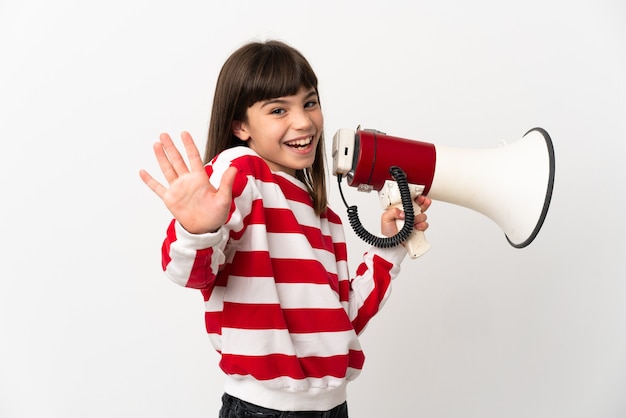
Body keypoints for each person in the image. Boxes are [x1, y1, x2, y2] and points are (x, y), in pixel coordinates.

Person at [139, 40, 431, 418]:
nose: (304, 122)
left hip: (333, 407)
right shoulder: (241, 173)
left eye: (309, 102)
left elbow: (345, 320)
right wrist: (198, 230)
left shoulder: (325, 218)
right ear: (240, 125)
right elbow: (190, 273)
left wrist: (391, 246)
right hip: (264, 410)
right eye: (279, 109)